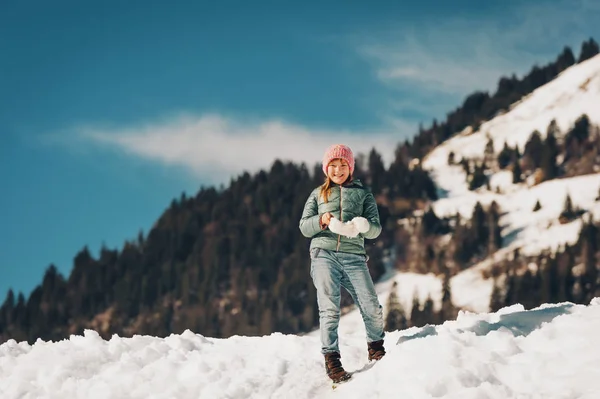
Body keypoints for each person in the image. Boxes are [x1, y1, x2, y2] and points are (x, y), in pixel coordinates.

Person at [299, 143, 385, 383]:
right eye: (333, 166)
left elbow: (376, 229)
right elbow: (304, 227)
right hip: (323, 253)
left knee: (371, 306)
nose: (338, 170)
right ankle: (332, 359)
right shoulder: (318, 194)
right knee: (329, 308)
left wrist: (366, 227)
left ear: (350, 167)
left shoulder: (364, 195)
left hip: (354, 256)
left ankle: (376, 349)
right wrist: (322, 220)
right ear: (326, 169)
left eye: (343, 165)